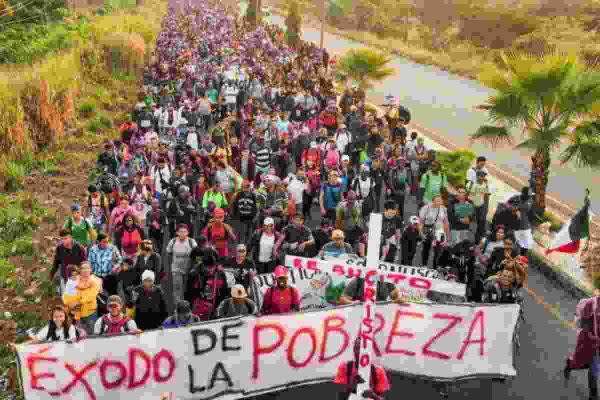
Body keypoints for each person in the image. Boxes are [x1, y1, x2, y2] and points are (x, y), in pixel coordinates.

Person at [563, 280, 600, 400]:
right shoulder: (591, 304)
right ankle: (570, 364)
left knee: (591, 366)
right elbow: (584, 323)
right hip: (589, 341)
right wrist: (592, 336)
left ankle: (593, 396)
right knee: (588, 365)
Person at [50, 228, 87, 295]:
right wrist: (52, 275)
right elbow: (56, 262)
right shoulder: (59, 248)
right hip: (64, 276)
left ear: (70, 237)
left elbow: (84, 263)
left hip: (77, 277)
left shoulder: (79, 247)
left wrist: (84, 276)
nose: (64, 241)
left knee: (77, 296)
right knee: (66, 297)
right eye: (62, 239)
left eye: (65, 238)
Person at [166, 224, 198, 303]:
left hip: (189, 270)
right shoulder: (172, 241)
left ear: (188, 233)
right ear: (177, 232)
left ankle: (188, 306)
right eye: (180, 231)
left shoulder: (192, 242)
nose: (182, 233)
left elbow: (197, 254)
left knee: (188, 289)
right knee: (177, 289)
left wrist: (196, 266)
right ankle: (178, 307)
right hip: (176, 270)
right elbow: (169, 253)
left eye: (184, 232)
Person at [418, 194, 450, 268]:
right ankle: (424, 265)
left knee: (438, 250)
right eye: (436, 201)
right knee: (426, 248)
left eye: (440, 201)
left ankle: (435, 267)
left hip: (439, 232)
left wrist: (447, 236)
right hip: (428, 230)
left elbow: (446, 223)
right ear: (433, 201)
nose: (438, 202)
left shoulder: (444, 209)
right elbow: (421, 222)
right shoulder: (426, 208)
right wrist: (421, 233)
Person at [466, 170, 492, 243]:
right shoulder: (471, 184)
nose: (482, 178)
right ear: (477, 176)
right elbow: (465, 194)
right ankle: (465, 237)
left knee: (480, 223)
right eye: (481, 176)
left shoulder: (485, 184)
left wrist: (485, 207)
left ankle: (476, 241)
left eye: (483, 176)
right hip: (471, 205)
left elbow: (486, 196)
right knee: (467, 222)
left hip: (480, 206)